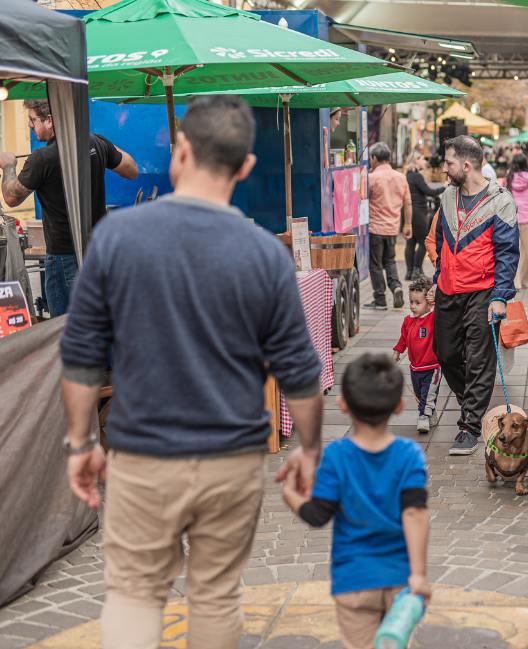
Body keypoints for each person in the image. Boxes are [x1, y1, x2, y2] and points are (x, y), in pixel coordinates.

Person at [59, 95, 324, 649]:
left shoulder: (117, 238)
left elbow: (82, 353)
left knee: (133, 596)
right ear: (245, 166)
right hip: (231, 459)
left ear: (179, 151)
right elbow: (299, 369)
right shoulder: (265, 255)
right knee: (215, 598)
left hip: (141, 456)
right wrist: (309, 448)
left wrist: (82, 441)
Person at [281, 354, 431, 649]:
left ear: (342, 404)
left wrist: (291, 495)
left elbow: (318, 515)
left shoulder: (336, 456)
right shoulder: (409, 454)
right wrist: (418, 574)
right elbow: (414, 514)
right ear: (400, 407)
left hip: (353, 581)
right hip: (400, 580)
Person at [0, 98, 138, 318]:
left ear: (50, 121)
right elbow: (132, 170)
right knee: (100, 323)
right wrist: (99, 144)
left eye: (32, 119)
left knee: (63, 331)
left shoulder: (42, 158)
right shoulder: (95, 142)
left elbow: (10, 197)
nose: (29, 125)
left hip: (65, 258)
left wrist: (8, 165)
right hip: (96, 251)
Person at [429, 135, 519, 455]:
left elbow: (508, 253)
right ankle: (473, 401)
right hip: (448, 289)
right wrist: (437, 277)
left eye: (449, 162)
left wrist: (501, 295)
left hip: (483, 291)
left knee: (480, 359)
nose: (444, 168)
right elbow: (442, 242)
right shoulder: (447, 197)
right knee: (445, 353)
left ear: (466, 166)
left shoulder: (501, 200)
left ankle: (469, 427)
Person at [367, 142, 412, 310]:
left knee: (376, 264)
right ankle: (396, 287)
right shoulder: (401, 177)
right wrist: (408, 225)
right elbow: (407, 203)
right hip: (393, 228)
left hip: (375, 228)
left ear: (375, 158)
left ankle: (380, 300)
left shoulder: (371, 178)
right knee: (390, 261)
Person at [392, 277, 440, 433]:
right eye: (411, 302)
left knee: (428, 393)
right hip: (415, 367)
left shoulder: (433, 318)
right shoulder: (408, 321)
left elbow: (444, 307)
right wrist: (397, 352)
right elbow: (403, 339)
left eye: (417, 303)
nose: (413, 306)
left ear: (430, 303)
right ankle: (430, 412)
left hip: (432, 366)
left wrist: (437, 295)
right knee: (419, 394)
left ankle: (423, 416)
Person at [404, 150, 444, 281]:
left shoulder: (408, 175)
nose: (425, 161)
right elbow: (429, 191)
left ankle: (409, 272)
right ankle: (417, 270)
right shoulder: (416, 176)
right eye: (422, 159)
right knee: (423, 242)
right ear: (415, 161)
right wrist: (444, 187)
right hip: (418, 211)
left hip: (409, 210)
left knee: (411, 242)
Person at [504, 153, 528, 290]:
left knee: (512, 249)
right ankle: (523, 279)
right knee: (526, 249)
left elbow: (503, 199)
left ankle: (515, 281)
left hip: (511, 218)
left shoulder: (508, 179)